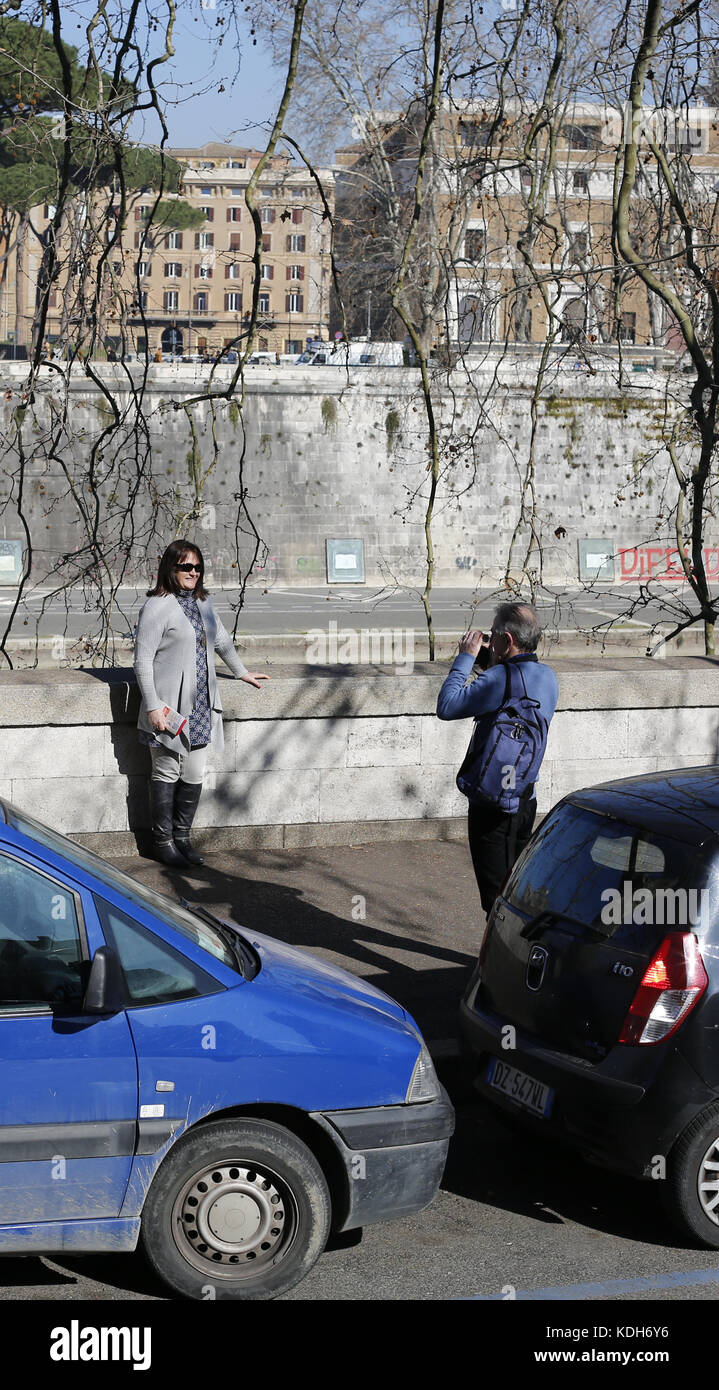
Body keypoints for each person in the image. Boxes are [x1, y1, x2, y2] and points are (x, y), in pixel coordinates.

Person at [134, 538, 269, 867]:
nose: (193, 572)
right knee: (166, 771)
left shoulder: (203, 603)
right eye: (186, 567)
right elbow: (142, 661)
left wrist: (241, 673)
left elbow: (222, 640)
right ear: (171, 568)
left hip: (201, 707)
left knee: (194, 773)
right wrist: (152, 706)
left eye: (197, 567)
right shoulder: (156, 606)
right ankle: (161, 843)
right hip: (168, 707)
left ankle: (182, 838)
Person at [436, 602, 558, 916]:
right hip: (525, 798)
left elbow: (447, 706)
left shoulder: (500, 678)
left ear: (507, 640)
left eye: (494, 635)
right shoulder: (547, 677)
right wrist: (493, 660)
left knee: (497, 901)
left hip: (491, 805)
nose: (490, 639)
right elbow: (513, 692)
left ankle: (502, 962)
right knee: (518, 889)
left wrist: (465, 657)